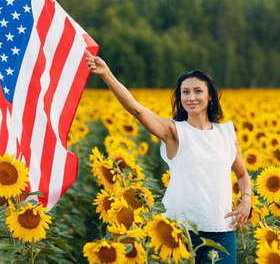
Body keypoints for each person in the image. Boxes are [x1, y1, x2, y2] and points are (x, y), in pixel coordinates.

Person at [85, 50, 252, 264]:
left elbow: (242, 174)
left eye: (197, 91)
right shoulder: (174, 132)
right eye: (185, 92)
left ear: (210, 96)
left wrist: (246, 201)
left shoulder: (226, 133)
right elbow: (136, 110)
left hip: (221, 230)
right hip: (179, 232)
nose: (191, 97)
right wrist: (107, 74)